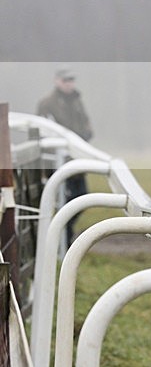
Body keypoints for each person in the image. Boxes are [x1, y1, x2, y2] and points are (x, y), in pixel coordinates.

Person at [37, 68, 93, 246]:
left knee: (82, 198)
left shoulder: (77, 100)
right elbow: (42, 132)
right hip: (59, 163)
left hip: (76, 160)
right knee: (64, 202)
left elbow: (86, 124)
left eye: (71, 80)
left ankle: (64, 235)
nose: (69, 83)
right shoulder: (47, 103)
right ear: (57, 81)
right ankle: (60, 240)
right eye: (65, 80)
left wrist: (86, 134)